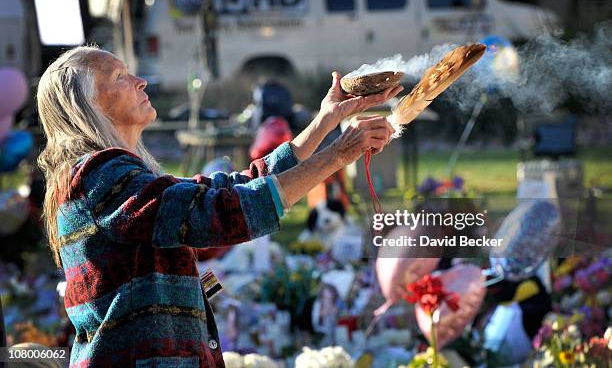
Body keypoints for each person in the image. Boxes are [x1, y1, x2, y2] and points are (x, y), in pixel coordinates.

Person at [36, 46, 401, 367]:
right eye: (120, 77)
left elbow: (231, 188)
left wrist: (327, 119)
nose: (141, 81)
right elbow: (217, 213)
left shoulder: (109, 174)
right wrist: (339, 153)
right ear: (86, 106)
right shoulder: (100, 174)